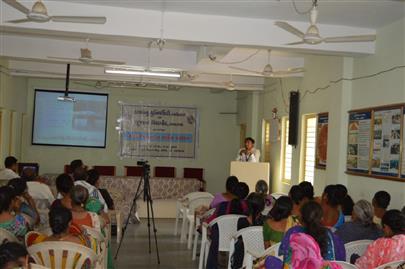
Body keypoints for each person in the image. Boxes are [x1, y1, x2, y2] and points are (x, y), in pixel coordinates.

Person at [279, 201, 346, 262]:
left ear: (301, 218)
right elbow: (341, 260)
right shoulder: (332, 236)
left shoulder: (293, 232)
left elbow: (282, 254)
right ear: (321, 218)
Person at [206, 182, 250, 269]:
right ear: (246, 194)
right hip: (240, 241)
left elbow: (211, 221)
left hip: (221, 240)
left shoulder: (222, 205)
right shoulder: (248, 208)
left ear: (233, 192)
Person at [231, 193, 266, 269]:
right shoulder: (267, 222)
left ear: (247, 206)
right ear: (263, 207)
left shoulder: (241, 221)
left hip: (243, 259)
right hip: (262, 258)